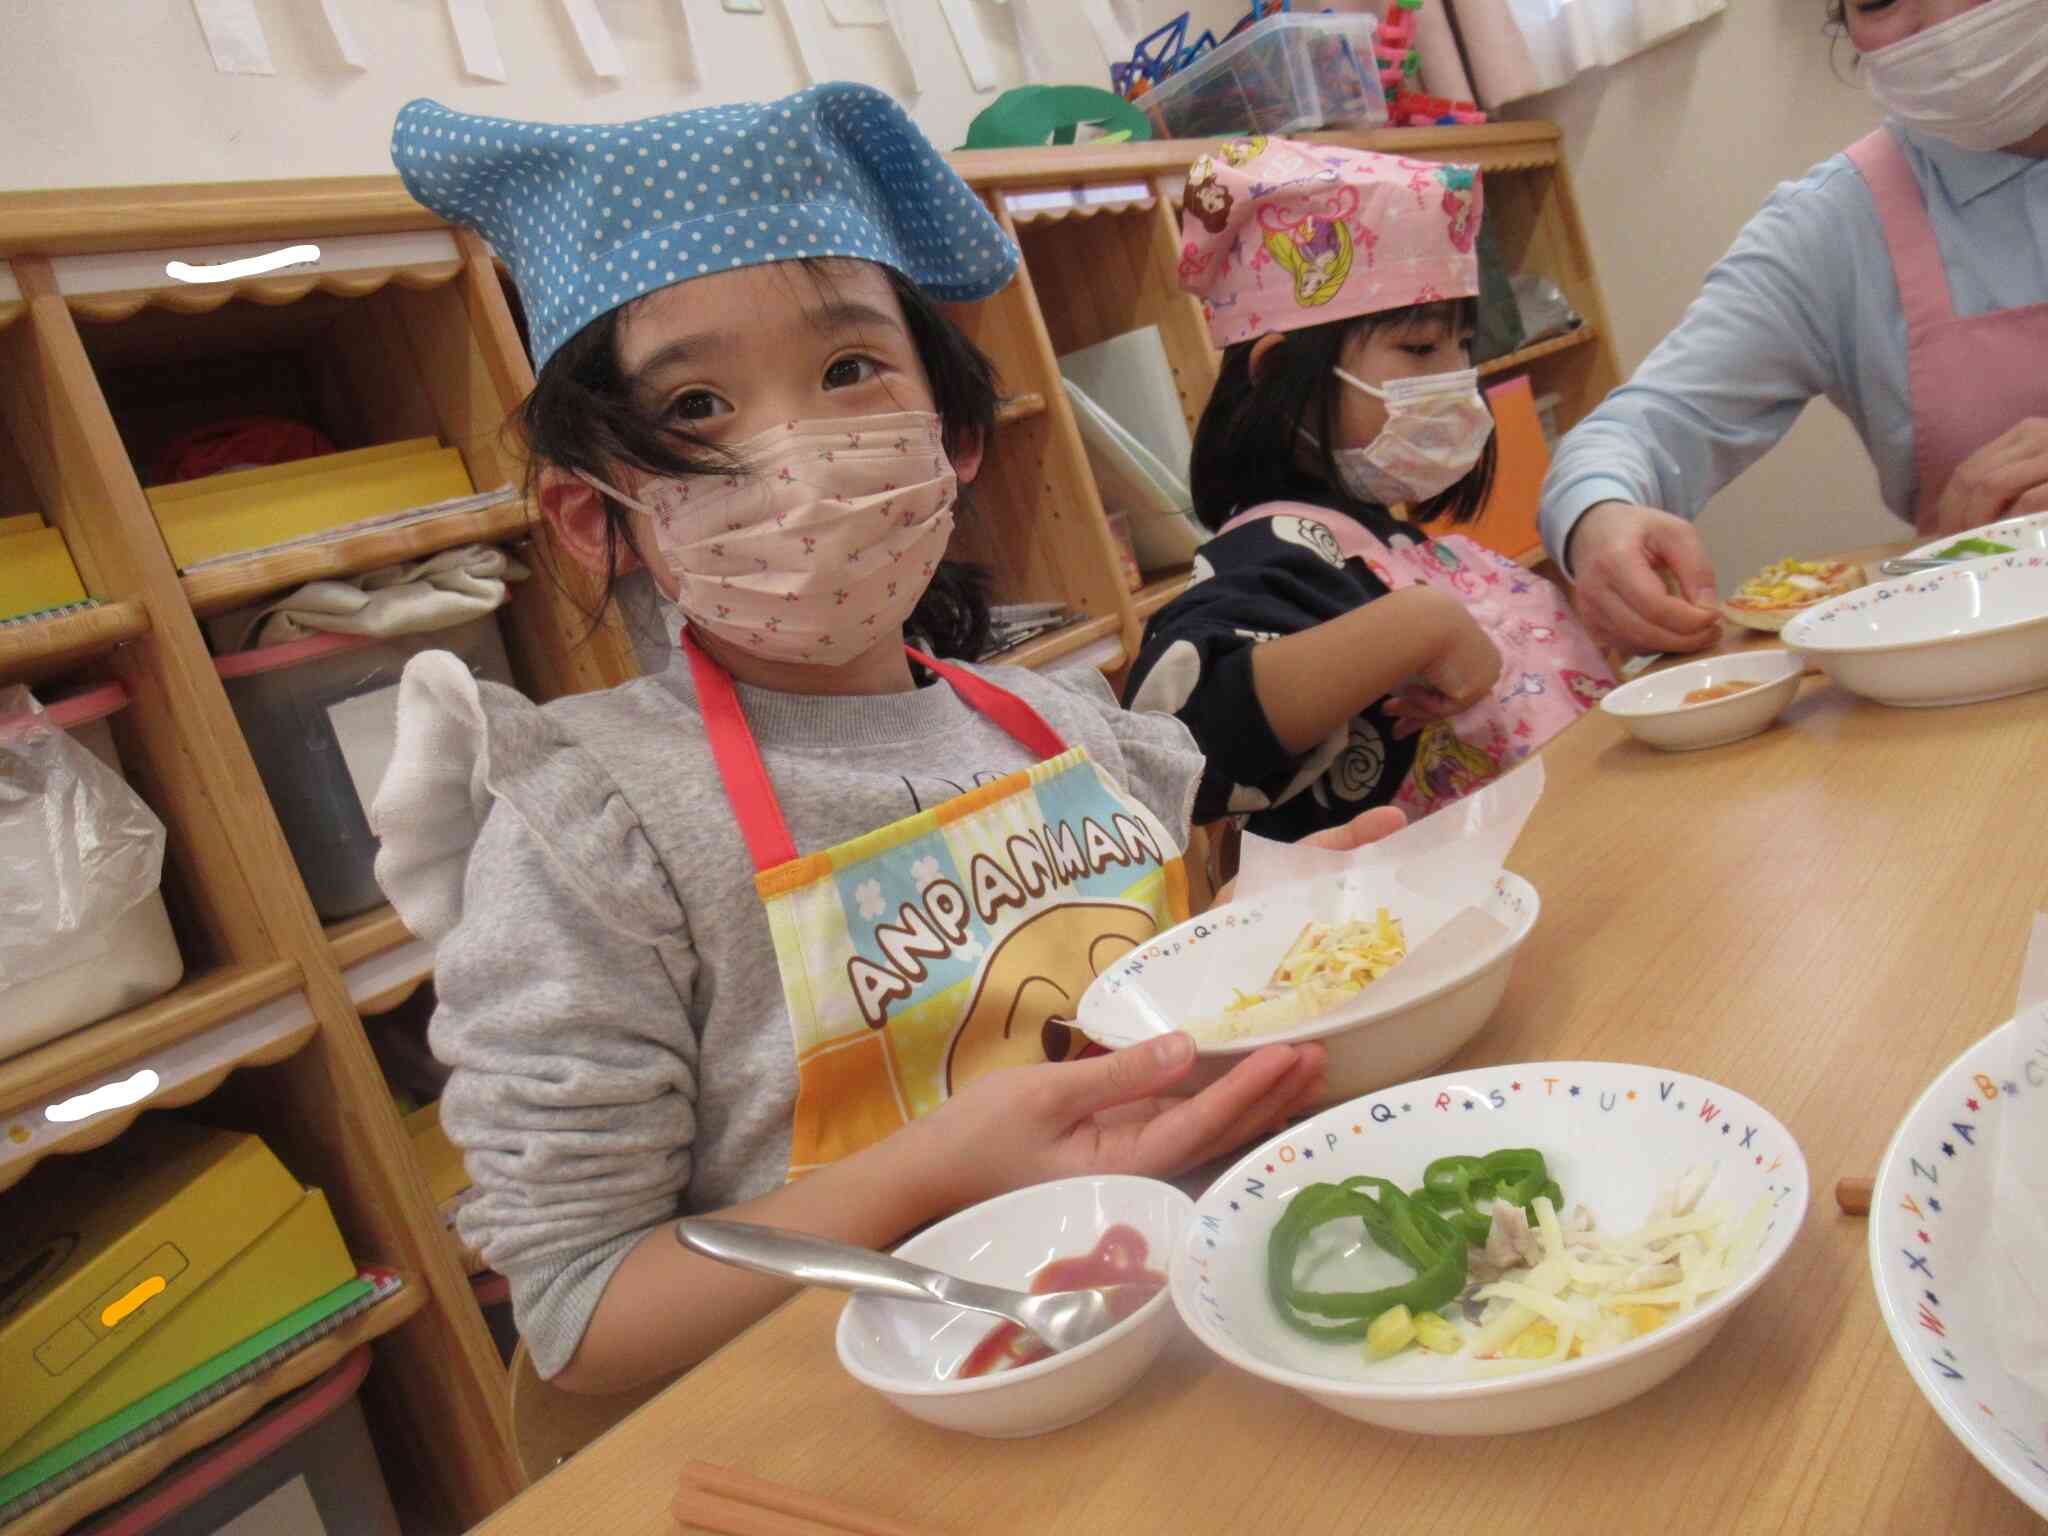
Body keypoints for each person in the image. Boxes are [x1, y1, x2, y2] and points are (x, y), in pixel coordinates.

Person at [369, 86, 1402, 1394]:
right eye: (695, 407)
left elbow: (1149, 1021)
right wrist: (934, 1168)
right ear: (595, 519)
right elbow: (579, 1317)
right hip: (870, 1432)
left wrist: (1290, 931)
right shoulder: (600, 825)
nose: (793, 450)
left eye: (849, 370)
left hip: (1186, 1339)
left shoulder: (1065, 726)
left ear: (956, 436)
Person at [1126, 138, 1613, 836]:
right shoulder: (1275, 552)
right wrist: (1419, 626)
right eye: (1420, 349)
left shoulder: (1399, 541)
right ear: (1278, 374)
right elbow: (1176, 737)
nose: (1456, 378)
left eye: (1464, 349)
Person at [1542, 0, 2048, 655]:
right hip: (1979, 671)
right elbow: (1635, 431)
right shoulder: (1838, 225)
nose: (1943, 24)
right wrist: (1597, 518)